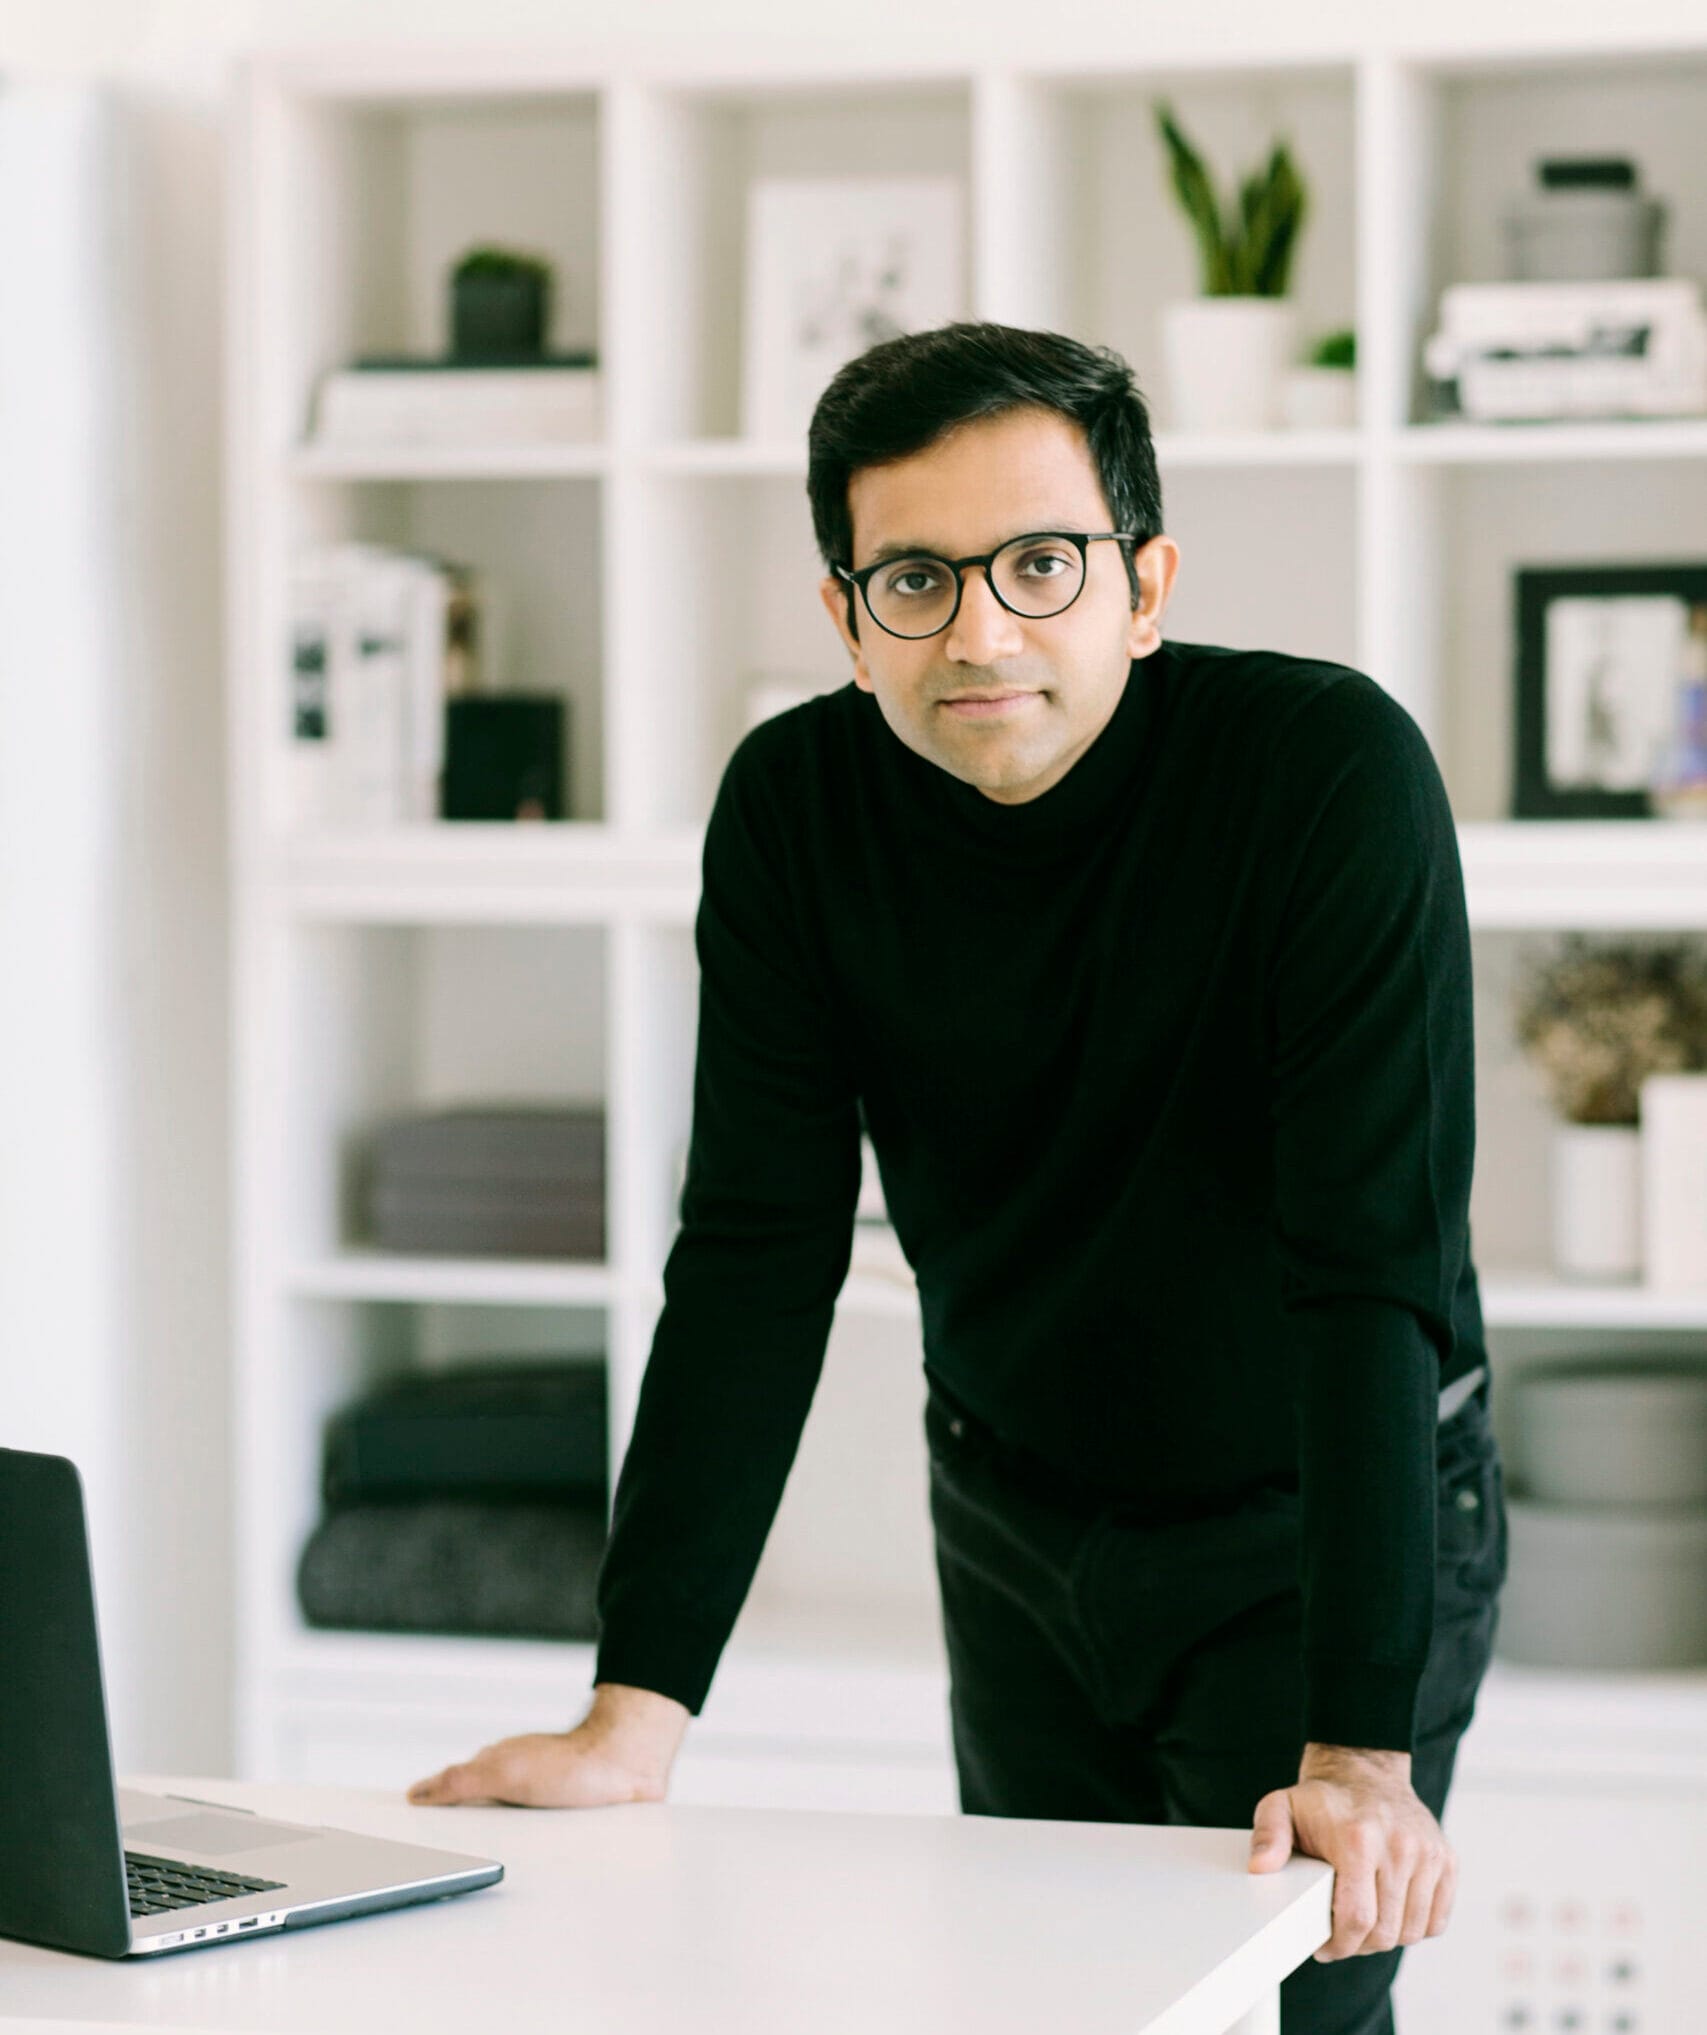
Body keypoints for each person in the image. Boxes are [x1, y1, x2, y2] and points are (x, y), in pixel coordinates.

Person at [408, 321, 1507, 2035]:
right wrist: (636, 1710)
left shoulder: (1322, 776)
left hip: (1316, 1519)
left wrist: (1362, 1746)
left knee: (1289, 2017)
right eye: (916, 579)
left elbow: (1370, 1263)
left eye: (1041, 564)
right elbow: (754, 1256)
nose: (981, 631)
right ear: (848, 619)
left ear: (1145, 587)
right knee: (1052, 2006)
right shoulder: (794, 814)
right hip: (1015, 1517)